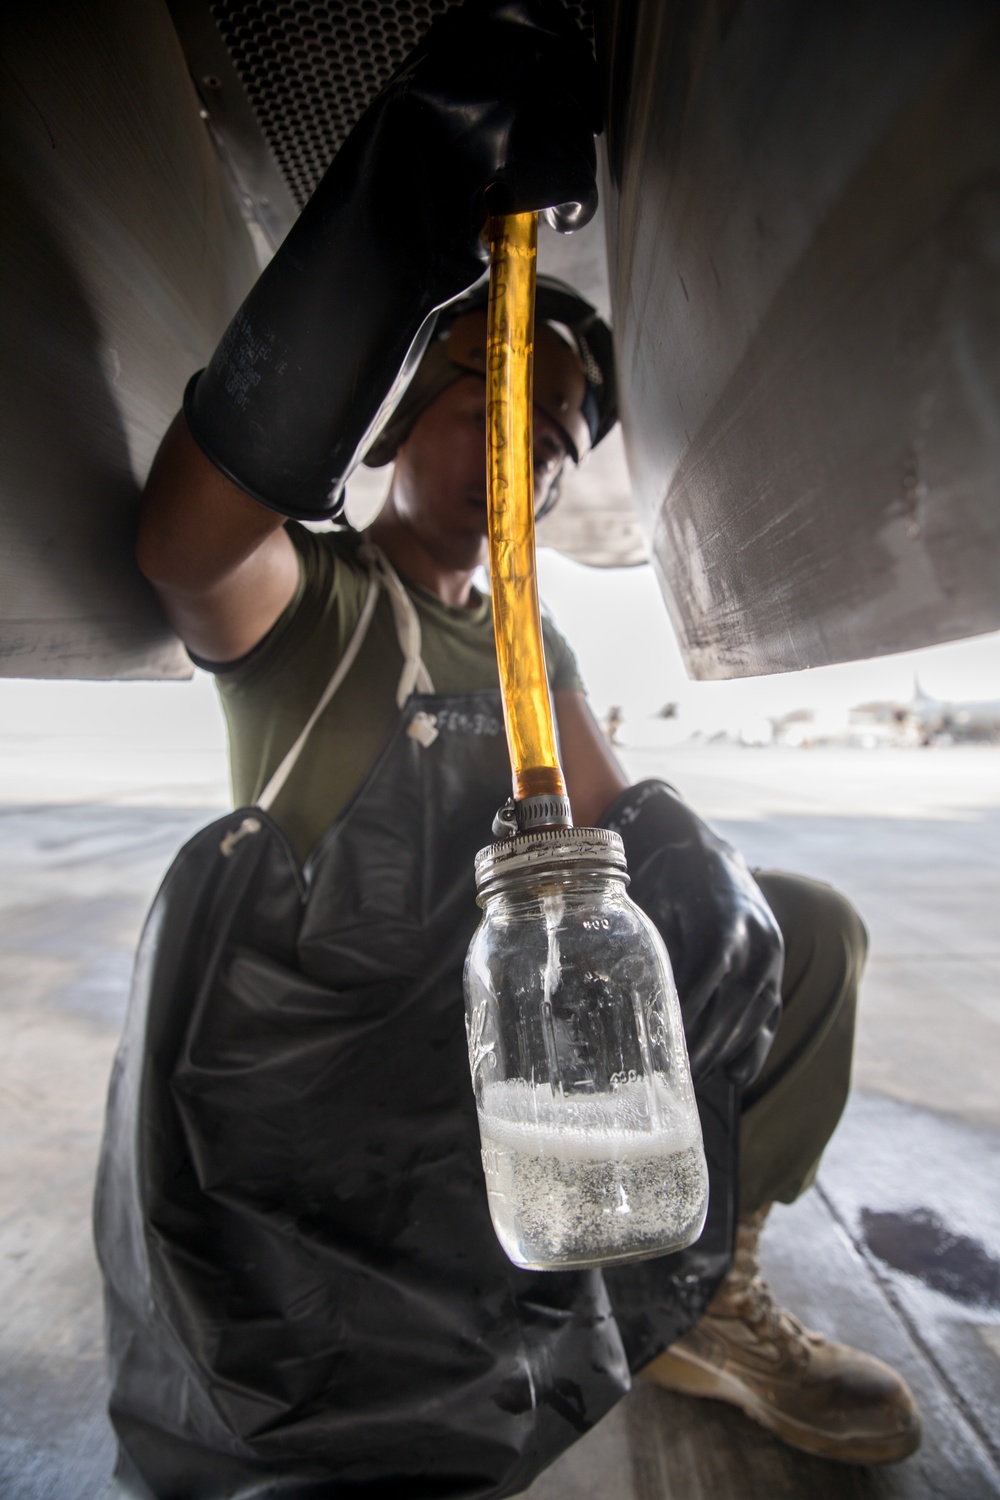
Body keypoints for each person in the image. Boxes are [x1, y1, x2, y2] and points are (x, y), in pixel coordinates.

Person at [95, 3, 920, 1494]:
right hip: (335, 1101)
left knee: (805, 931)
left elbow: (629, 828)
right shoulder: (324, 607)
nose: (521, 448)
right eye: (489, 396)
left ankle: (698, 1290)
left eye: (551, 436)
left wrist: (698, 902)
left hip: (520, 1049)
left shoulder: (539, 652)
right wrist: (406, 196)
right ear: (399, 418)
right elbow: (190, 544)